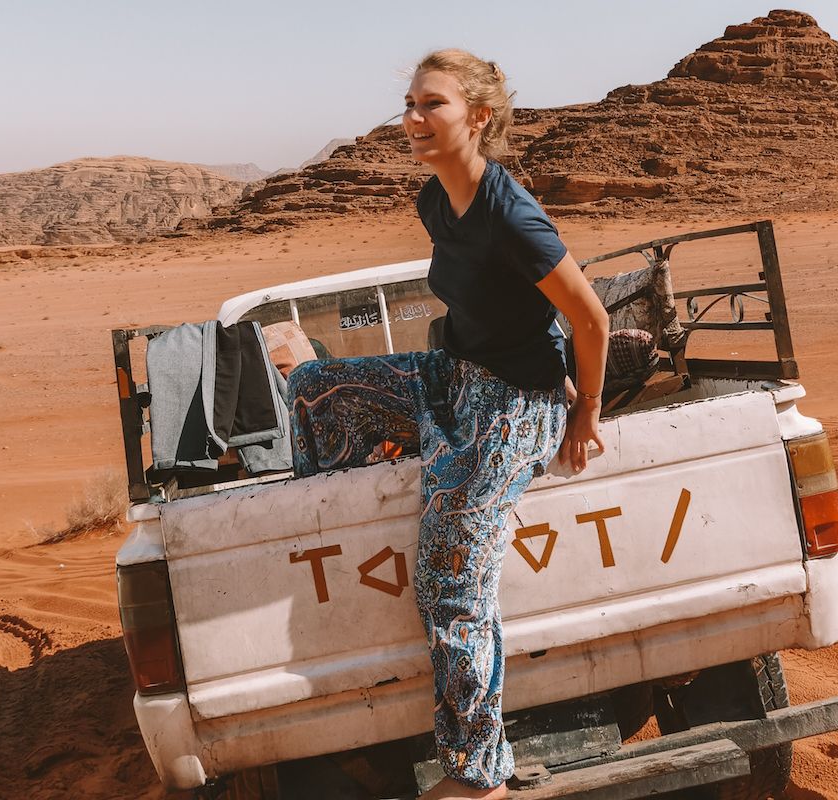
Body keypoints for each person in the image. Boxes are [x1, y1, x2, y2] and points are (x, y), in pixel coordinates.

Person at [286, 49, 609, 800]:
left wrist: (583, 412)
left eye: (431, 104)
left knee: (449, 570)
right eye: (408, 104)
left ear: (478, 116)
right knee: (315, 387)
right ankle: (362, 497)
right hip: (455, 378)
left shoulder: (511, 214)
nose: (412, 119)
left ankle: (477, 773)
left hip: (518, 403)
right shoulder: (435, 200)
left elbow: (588, 320)